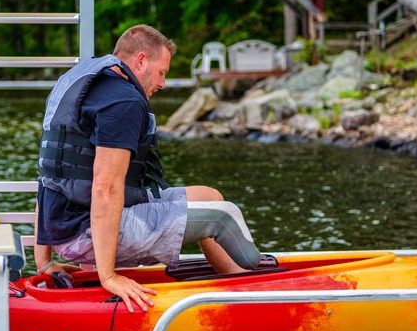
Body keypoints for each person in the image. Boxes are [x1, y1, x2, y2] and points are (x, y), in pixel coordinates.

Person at [35, 24, 265, 312]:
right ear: (141, 60)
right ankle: (261, 287)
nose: (163, 84)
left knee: (210, 196)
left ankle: (239, 283)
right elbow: (106, 188)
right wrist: (109, 277)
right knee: (222, 217)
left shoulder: (83, 85)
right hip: (86, 232)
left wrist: (42, 261)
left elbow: (48, 175)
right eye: (162, 72)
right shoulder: (124, 101)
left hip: (66, 227)